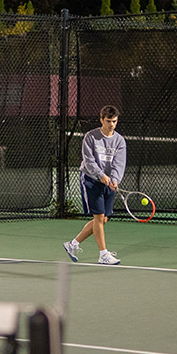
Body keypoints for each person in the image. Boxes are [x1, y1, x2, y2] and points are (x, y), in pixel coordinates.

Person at [63, 105, 126, 265]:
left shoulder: (119, 141)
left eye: (114, 121)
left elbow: (119, 163)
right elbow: (89, 161)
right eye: (108, 121)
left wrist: (115, 179)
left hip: (108, 182)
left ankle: (73, 244)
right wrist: (101, 175)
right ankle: (103, 254)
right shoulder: (91, 137)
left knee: (103, 219)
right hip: (90, 179)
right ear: (101, 120)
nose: (112, 124)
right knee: (98, 217)